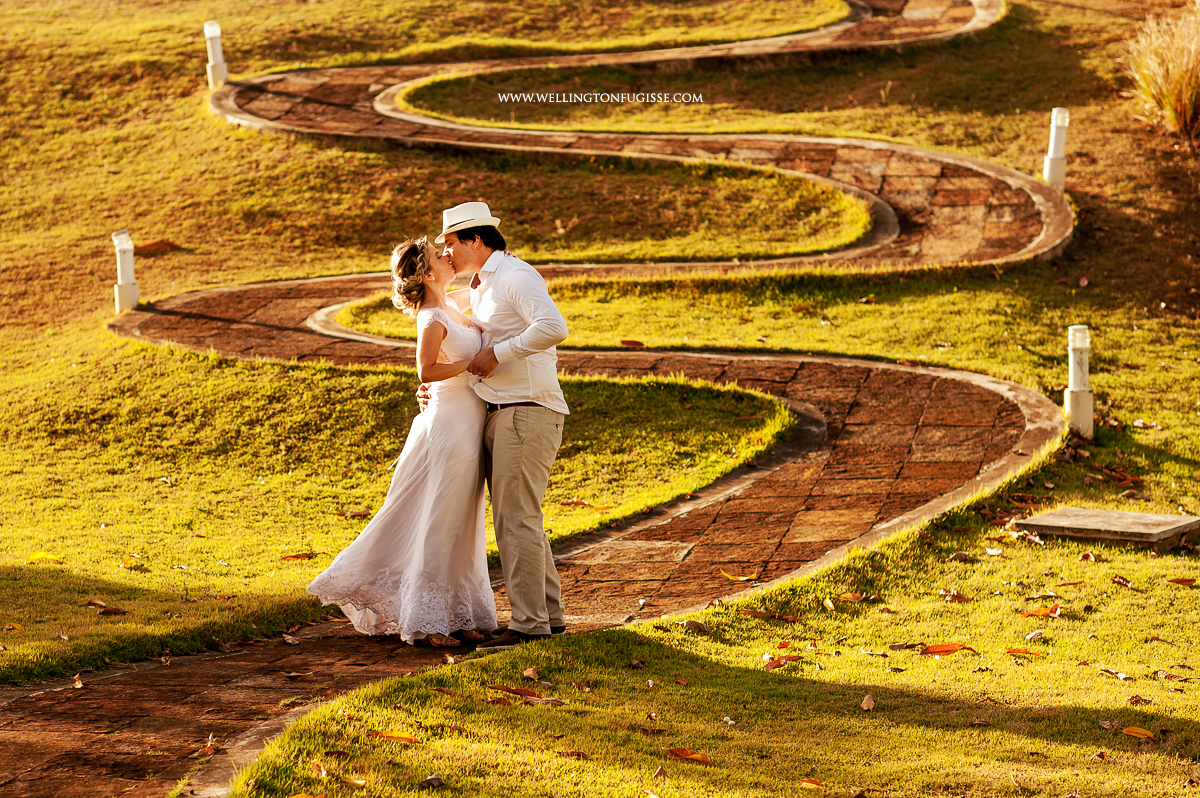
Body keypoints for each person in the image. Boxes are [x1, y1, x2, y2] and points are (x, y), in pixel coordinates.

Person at [307, 236, 498, 646]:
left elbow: (493, 291)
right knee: (440, 520)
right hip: (449, 425)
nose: (447, 256)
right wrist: (473, 363)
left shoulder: (451, 305)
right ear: (428, 273)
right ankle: (426, 623)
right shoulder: (431, 316)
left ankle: (460, 615)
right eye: (437, 255)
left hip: (467, 421)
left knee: (462, 520)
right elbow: (426, 371)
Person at [434, 201, 570, 650]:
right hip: (503, 410)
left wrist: (499, 353)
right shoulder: (481, 284)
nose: (446, 251)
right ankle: (547, 616)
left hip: (526, 409)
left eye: (450, 243)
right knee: (519, 517)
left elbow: (553, 326)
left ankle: (529, 625)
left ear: (475, 239)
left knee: (515, 519)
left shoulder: (514, 275)